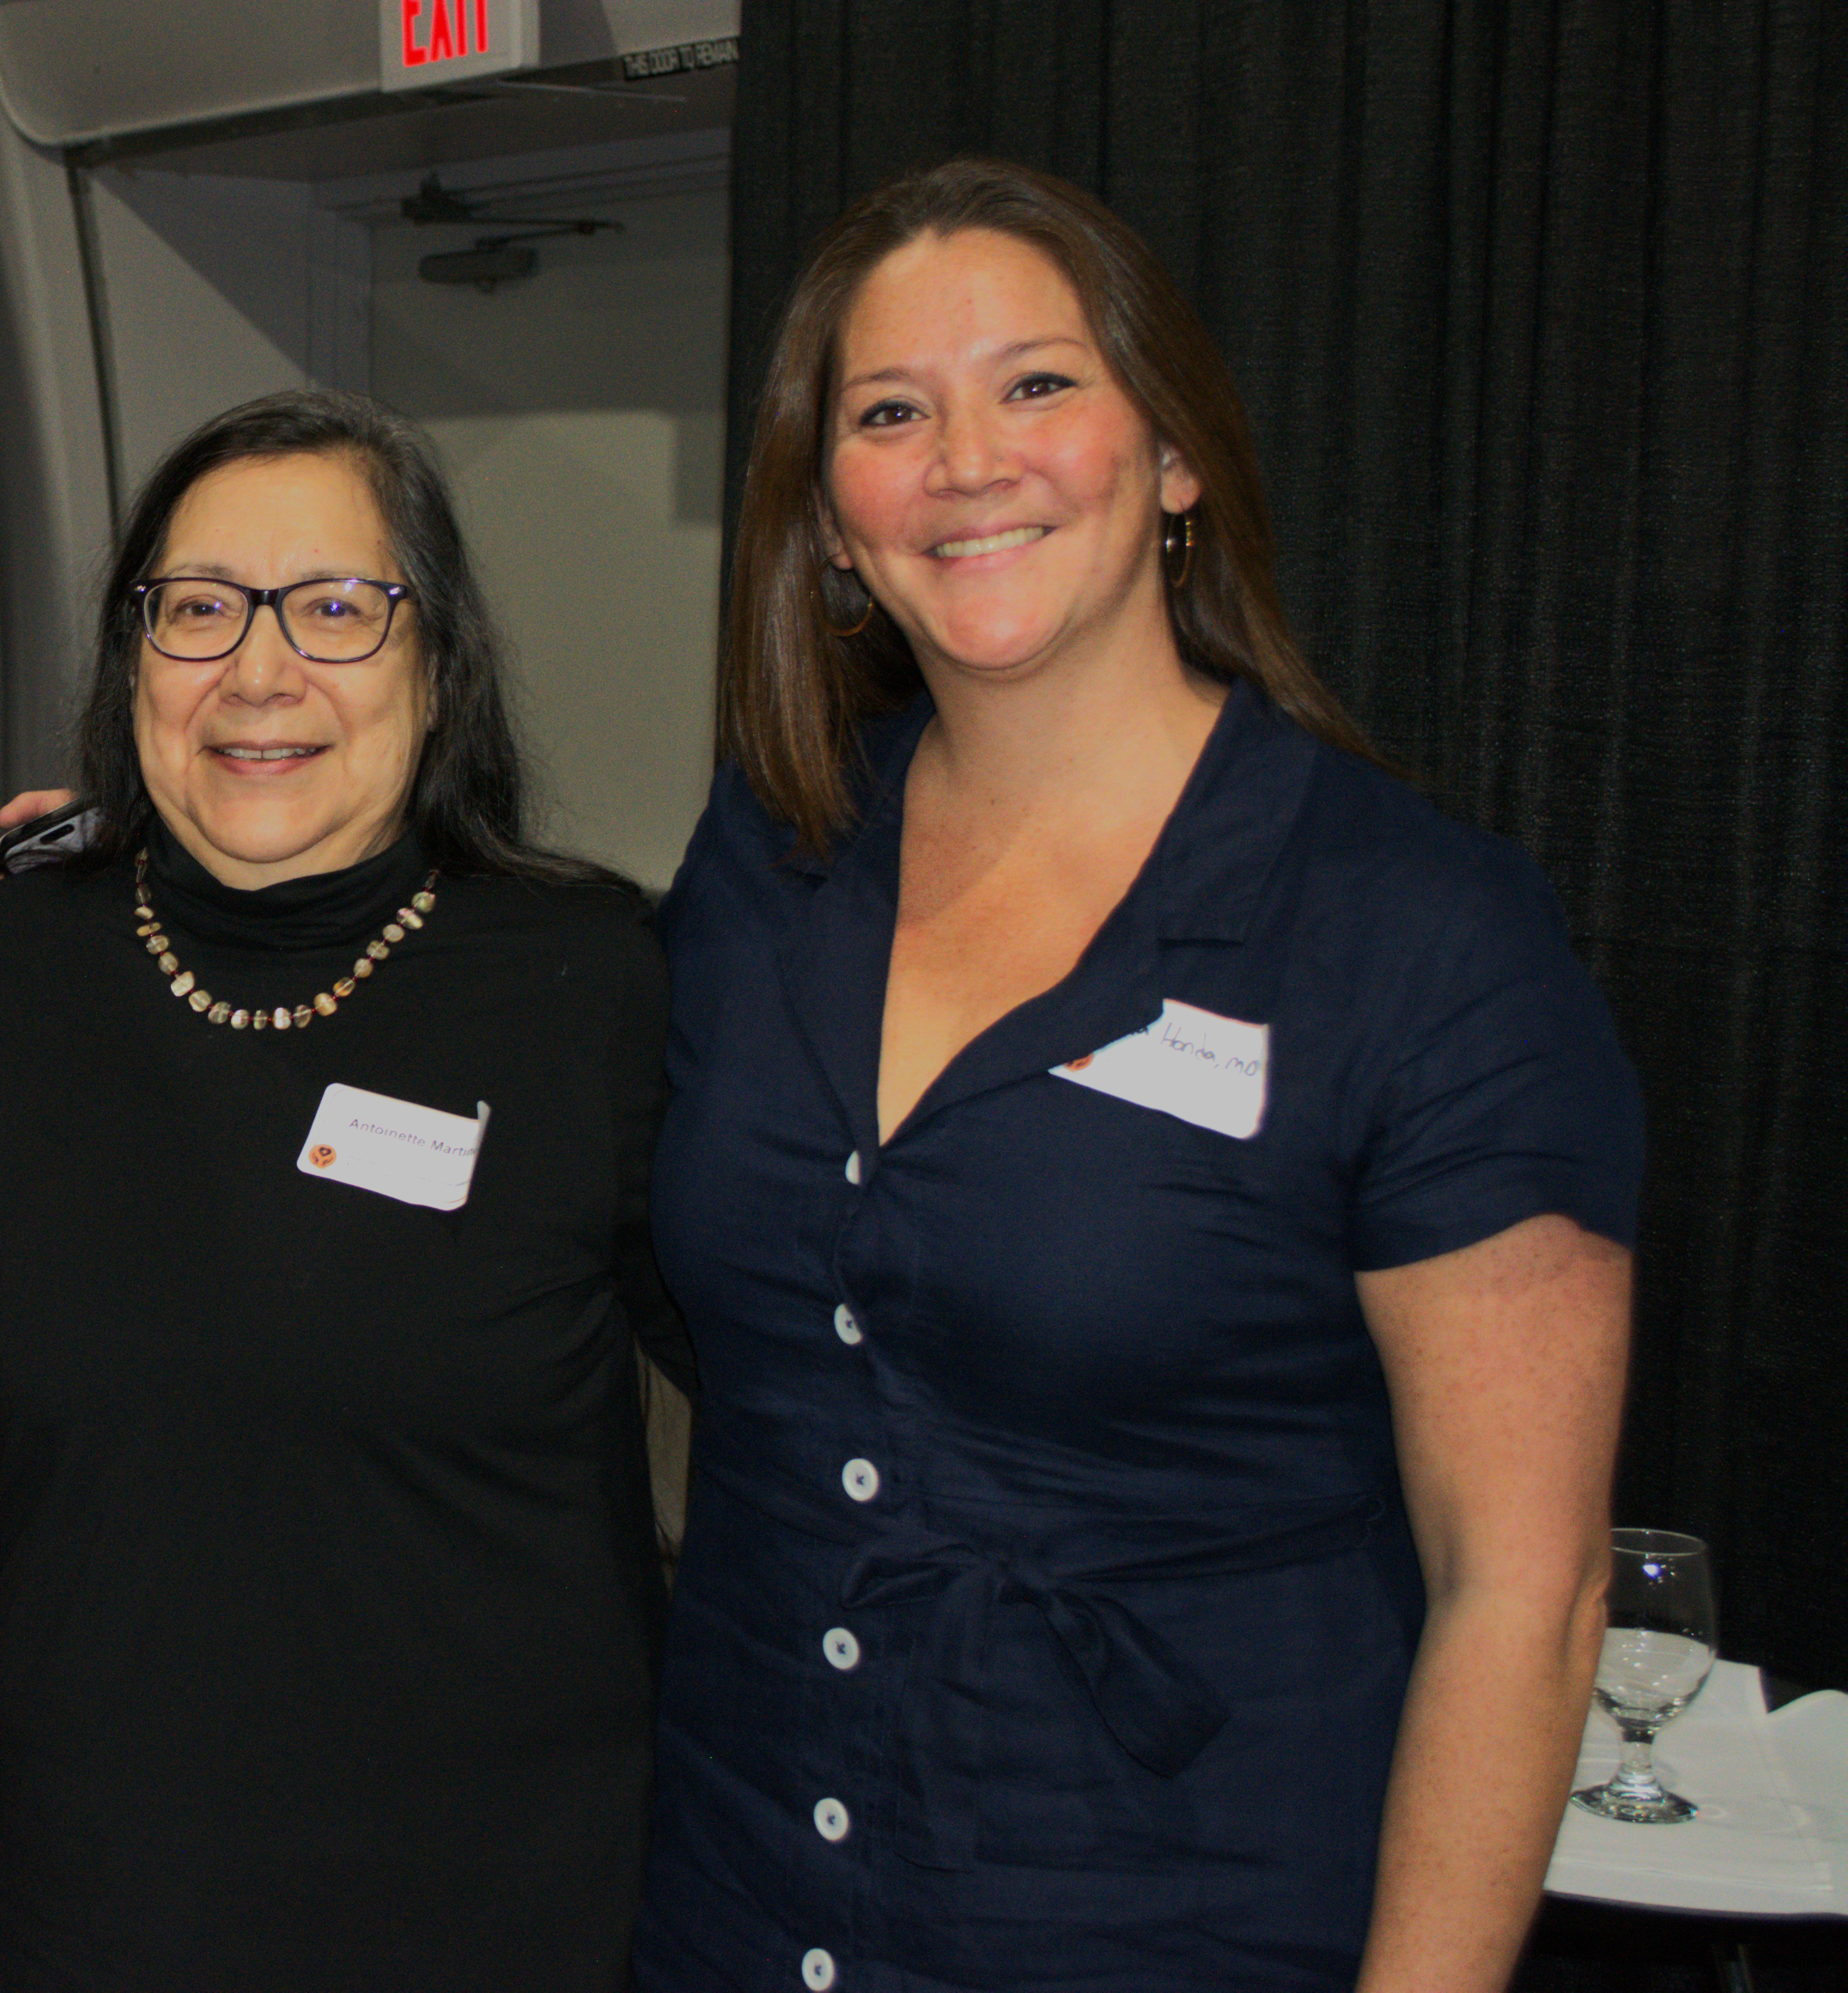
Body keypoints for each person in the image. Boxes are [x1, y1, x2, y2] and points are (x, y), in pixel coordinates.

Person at [637, 158, 1637, 1992]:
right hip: (742, 1892)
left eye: (1034, 384)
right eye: (886, 412)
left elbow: (1524, 1595)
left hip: (1179, 1916)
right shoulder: (761, 864)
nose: (963, 458)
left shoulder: (1412, 935)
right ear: (829, 523)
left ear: (1171, 454)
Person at [0, 386, 690, 1993]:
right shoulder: (5, 970)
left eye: (337, 606)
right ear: (132, 652)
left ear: (437, 659)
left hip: (493, 1912)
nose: (256, 668)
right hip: (85, 1906)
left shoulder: (591, 981)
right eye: (197, 606)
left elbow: (801, 1402)